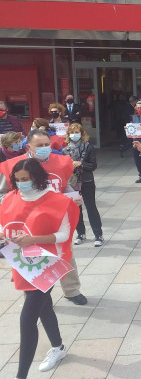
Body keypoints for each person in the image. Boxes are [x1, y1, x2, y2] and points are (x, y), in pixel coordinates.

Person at [0, 159, 80, 378]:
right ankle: (58, 347)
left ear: (37, 176)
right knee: (44, 307)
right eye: (18, 180)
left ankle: (21, 375)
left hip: (47, 263)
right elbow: (3, 224)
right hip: (21, 263)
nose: (22, 183)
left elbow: (64, 234)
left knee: (27, 318)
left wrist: (34, 239)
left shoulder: (57, 200)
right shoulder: (10, 198)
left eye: (26, 179)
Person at [0, 129, 87, 305]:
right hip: (26, 220)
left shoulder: (61, 162)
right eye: (39, 146)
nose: (44, 148)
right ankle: (32, 295)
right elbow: (4, 192)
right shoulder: (15, 165)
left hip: (55, 217)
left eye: (47, 144)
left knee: (65, 253)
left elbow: (65, 185)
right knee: (29, 257)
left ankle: (71, 290)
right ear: (29, 147)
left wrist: (74, 197)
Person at [63, 123, 103, 247]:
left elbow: (93, 166)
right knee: (76, 209)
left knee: (91, 207)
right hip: (73, 183)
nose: (75, 134)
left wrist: (81, 164)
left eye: (77, 132)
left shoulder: (88, 147)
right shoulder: (65, 150)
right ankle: (80, 233)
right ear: (69, 135)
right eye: (72, 132)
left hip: (87, 181)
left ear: (81, 133)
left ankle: (98, 234)